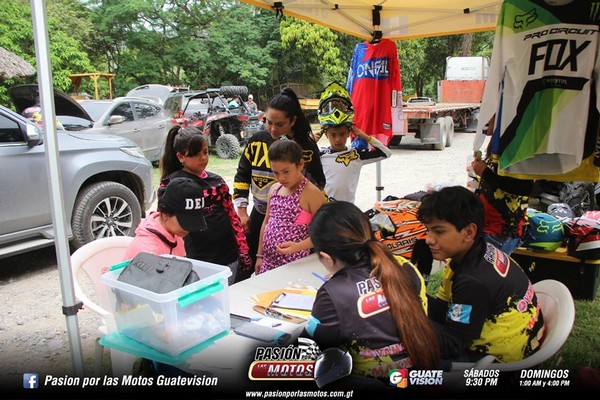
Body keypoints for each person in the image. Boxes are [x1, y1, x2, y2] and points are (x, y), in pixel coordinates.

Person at [302, 201, 440, 385]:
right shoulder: (405, 267)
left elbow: (307, 352)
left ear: (327, 258)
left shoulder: (333, 293)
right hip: (423, 375)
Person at [416, 185, 545, 367]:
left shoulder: (472, 281)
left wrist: (406, 318)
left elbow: (452, 345)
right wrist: (411, 299)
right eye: (428, 230)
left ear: (469, 232)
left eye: (438, 231)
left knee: (402, 357)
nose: (428, 239)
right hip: (511, 339)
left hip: (495, 364)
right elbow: (445, 310)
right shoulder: (480, 250)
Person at [233, 87, 326, 282]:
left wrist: (300, 210)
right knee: (246, 263)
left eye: (280, 124)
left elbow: (319, 183)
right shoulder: (257, 141)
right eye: (269, 122)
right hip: (261, 213)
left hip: (296, 226)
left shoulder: (306, 148)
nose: (273, 129)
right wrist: (242, 210)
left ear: (292, 121)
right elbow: (242, 174)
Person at [160, 126, 252, 283]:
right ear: (181, 157)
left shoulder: (217, 183)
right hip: (196, 259)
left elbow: (232, 217)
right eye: (195, 154)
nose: (202, 158)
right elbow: (167, 224)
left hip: (227, 255)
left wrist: (243, 250)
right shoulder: (172, 185)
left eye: (205, 152)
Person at [256, 139, 326, 274]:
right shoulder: (274, 189)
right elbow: (266, 222)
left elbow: (323, 232)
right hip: (268, 262)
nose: (281, 178)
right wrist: (260, 255)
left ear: (300, 164)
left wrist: (298, 246)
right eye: (276, 173)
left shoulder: (311, 193)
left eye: (286, 171)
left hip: (296, 264)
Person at [317, 82, 392, 203]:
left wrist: (364, 136)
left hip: (347, 208)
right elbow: (294, 159)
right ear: (326, 135)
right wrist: (309, 142)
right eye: (333, 135)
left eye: (342, 134)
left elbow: (386, 153)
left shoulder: (356, 155)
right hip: (324, 207)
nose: (338, 139)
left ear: (349, 133)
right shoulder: (319, 154)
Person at [471, 115, 534, 255]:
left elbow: (526, 188)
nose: (485, 119)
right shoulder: (497, 143)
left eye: (490, 115)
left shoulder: (517, 145)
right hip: (488, 227)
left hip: (501, 232)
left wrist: (485, 173)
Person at [122, 176, 207, 263]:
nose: (189, 229)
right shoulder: (147, 250)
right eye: (185, 221)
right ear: (165, 213)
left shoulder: (175, 235)